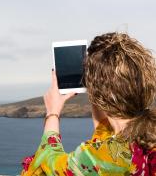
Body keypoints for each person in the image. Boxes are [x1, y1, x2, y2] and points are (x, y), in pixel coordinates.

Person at [20, 32, 156, 176]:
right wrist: (95, 87)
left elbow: (48, 161)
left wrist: (52, 112)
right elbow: (104, 131)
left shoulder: (100, 158)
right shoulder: (144, 134)